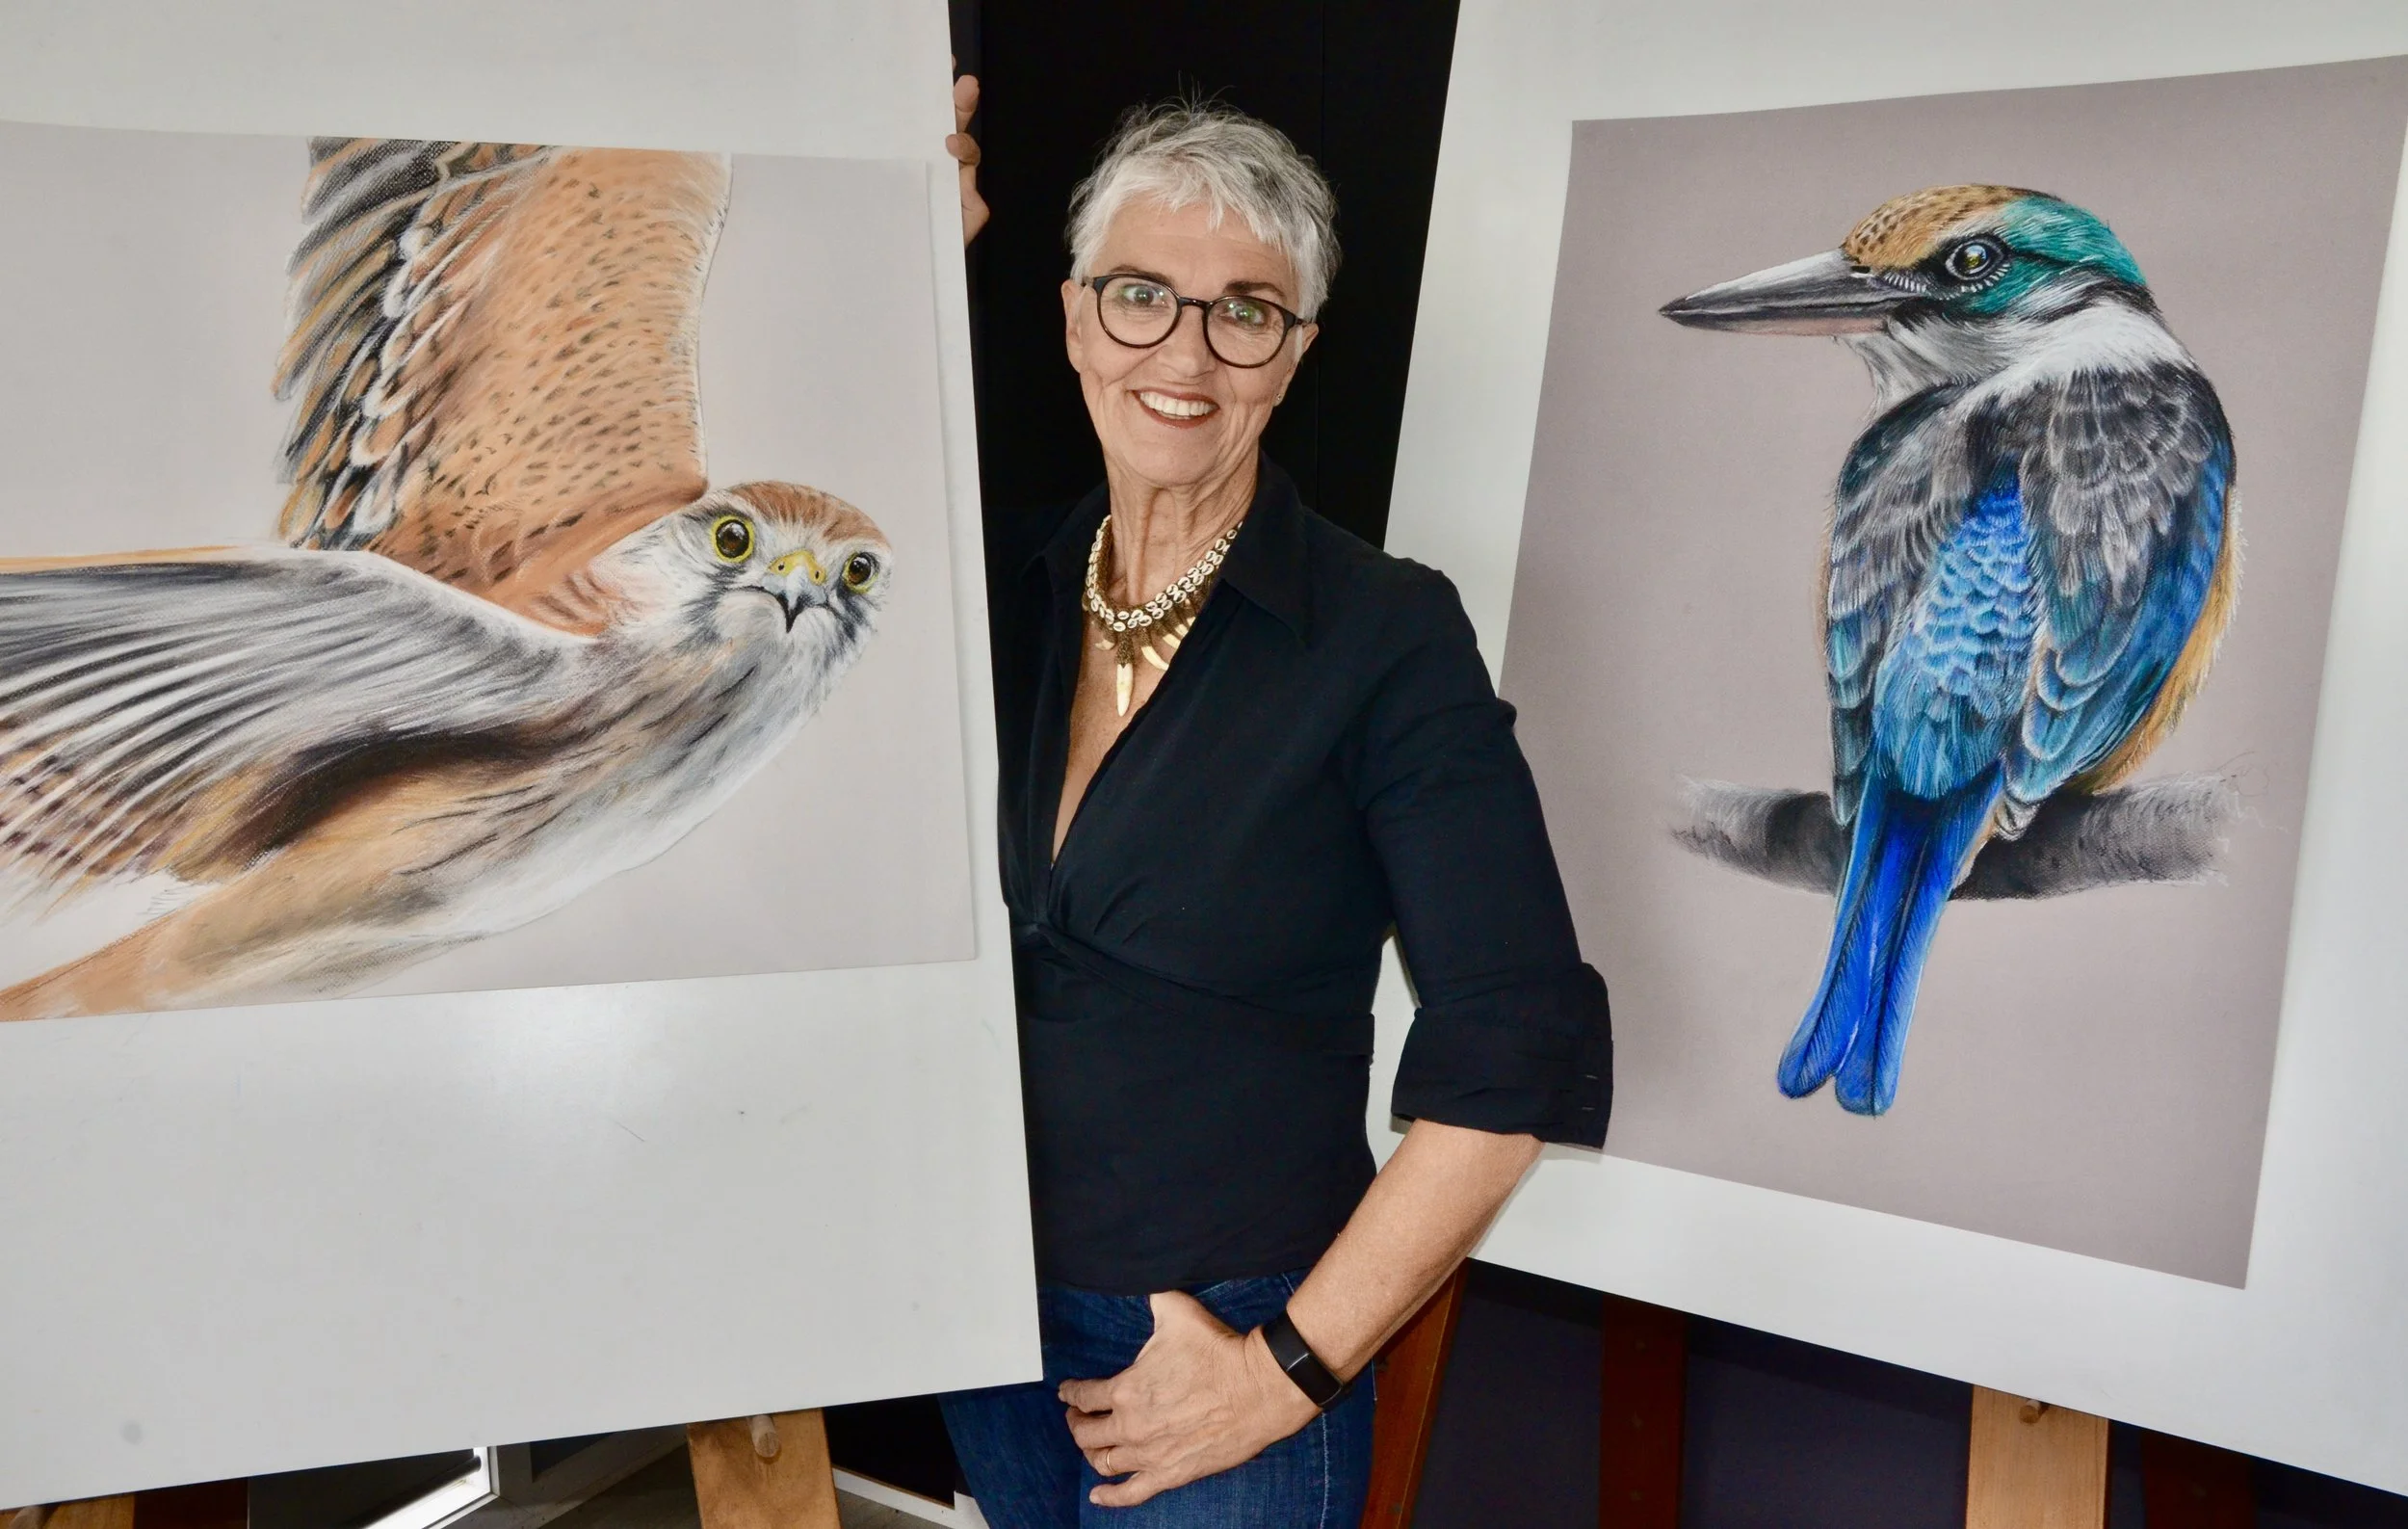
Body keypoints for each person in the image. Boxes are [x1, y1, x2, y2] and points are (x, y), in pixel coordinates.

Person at [938, 94, 1611, 1528]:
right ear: (1070, 319)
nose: (1184, 353)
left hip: (1222, 1352)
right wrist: (888, 236)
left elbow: (1515, 1045)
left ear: (1295, 355)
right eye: (1139, 298)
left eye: (1245, 312)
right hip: (985, 1330)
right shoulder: (1005, 590)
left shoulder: (1383, 634)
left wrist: (1281, 1371)